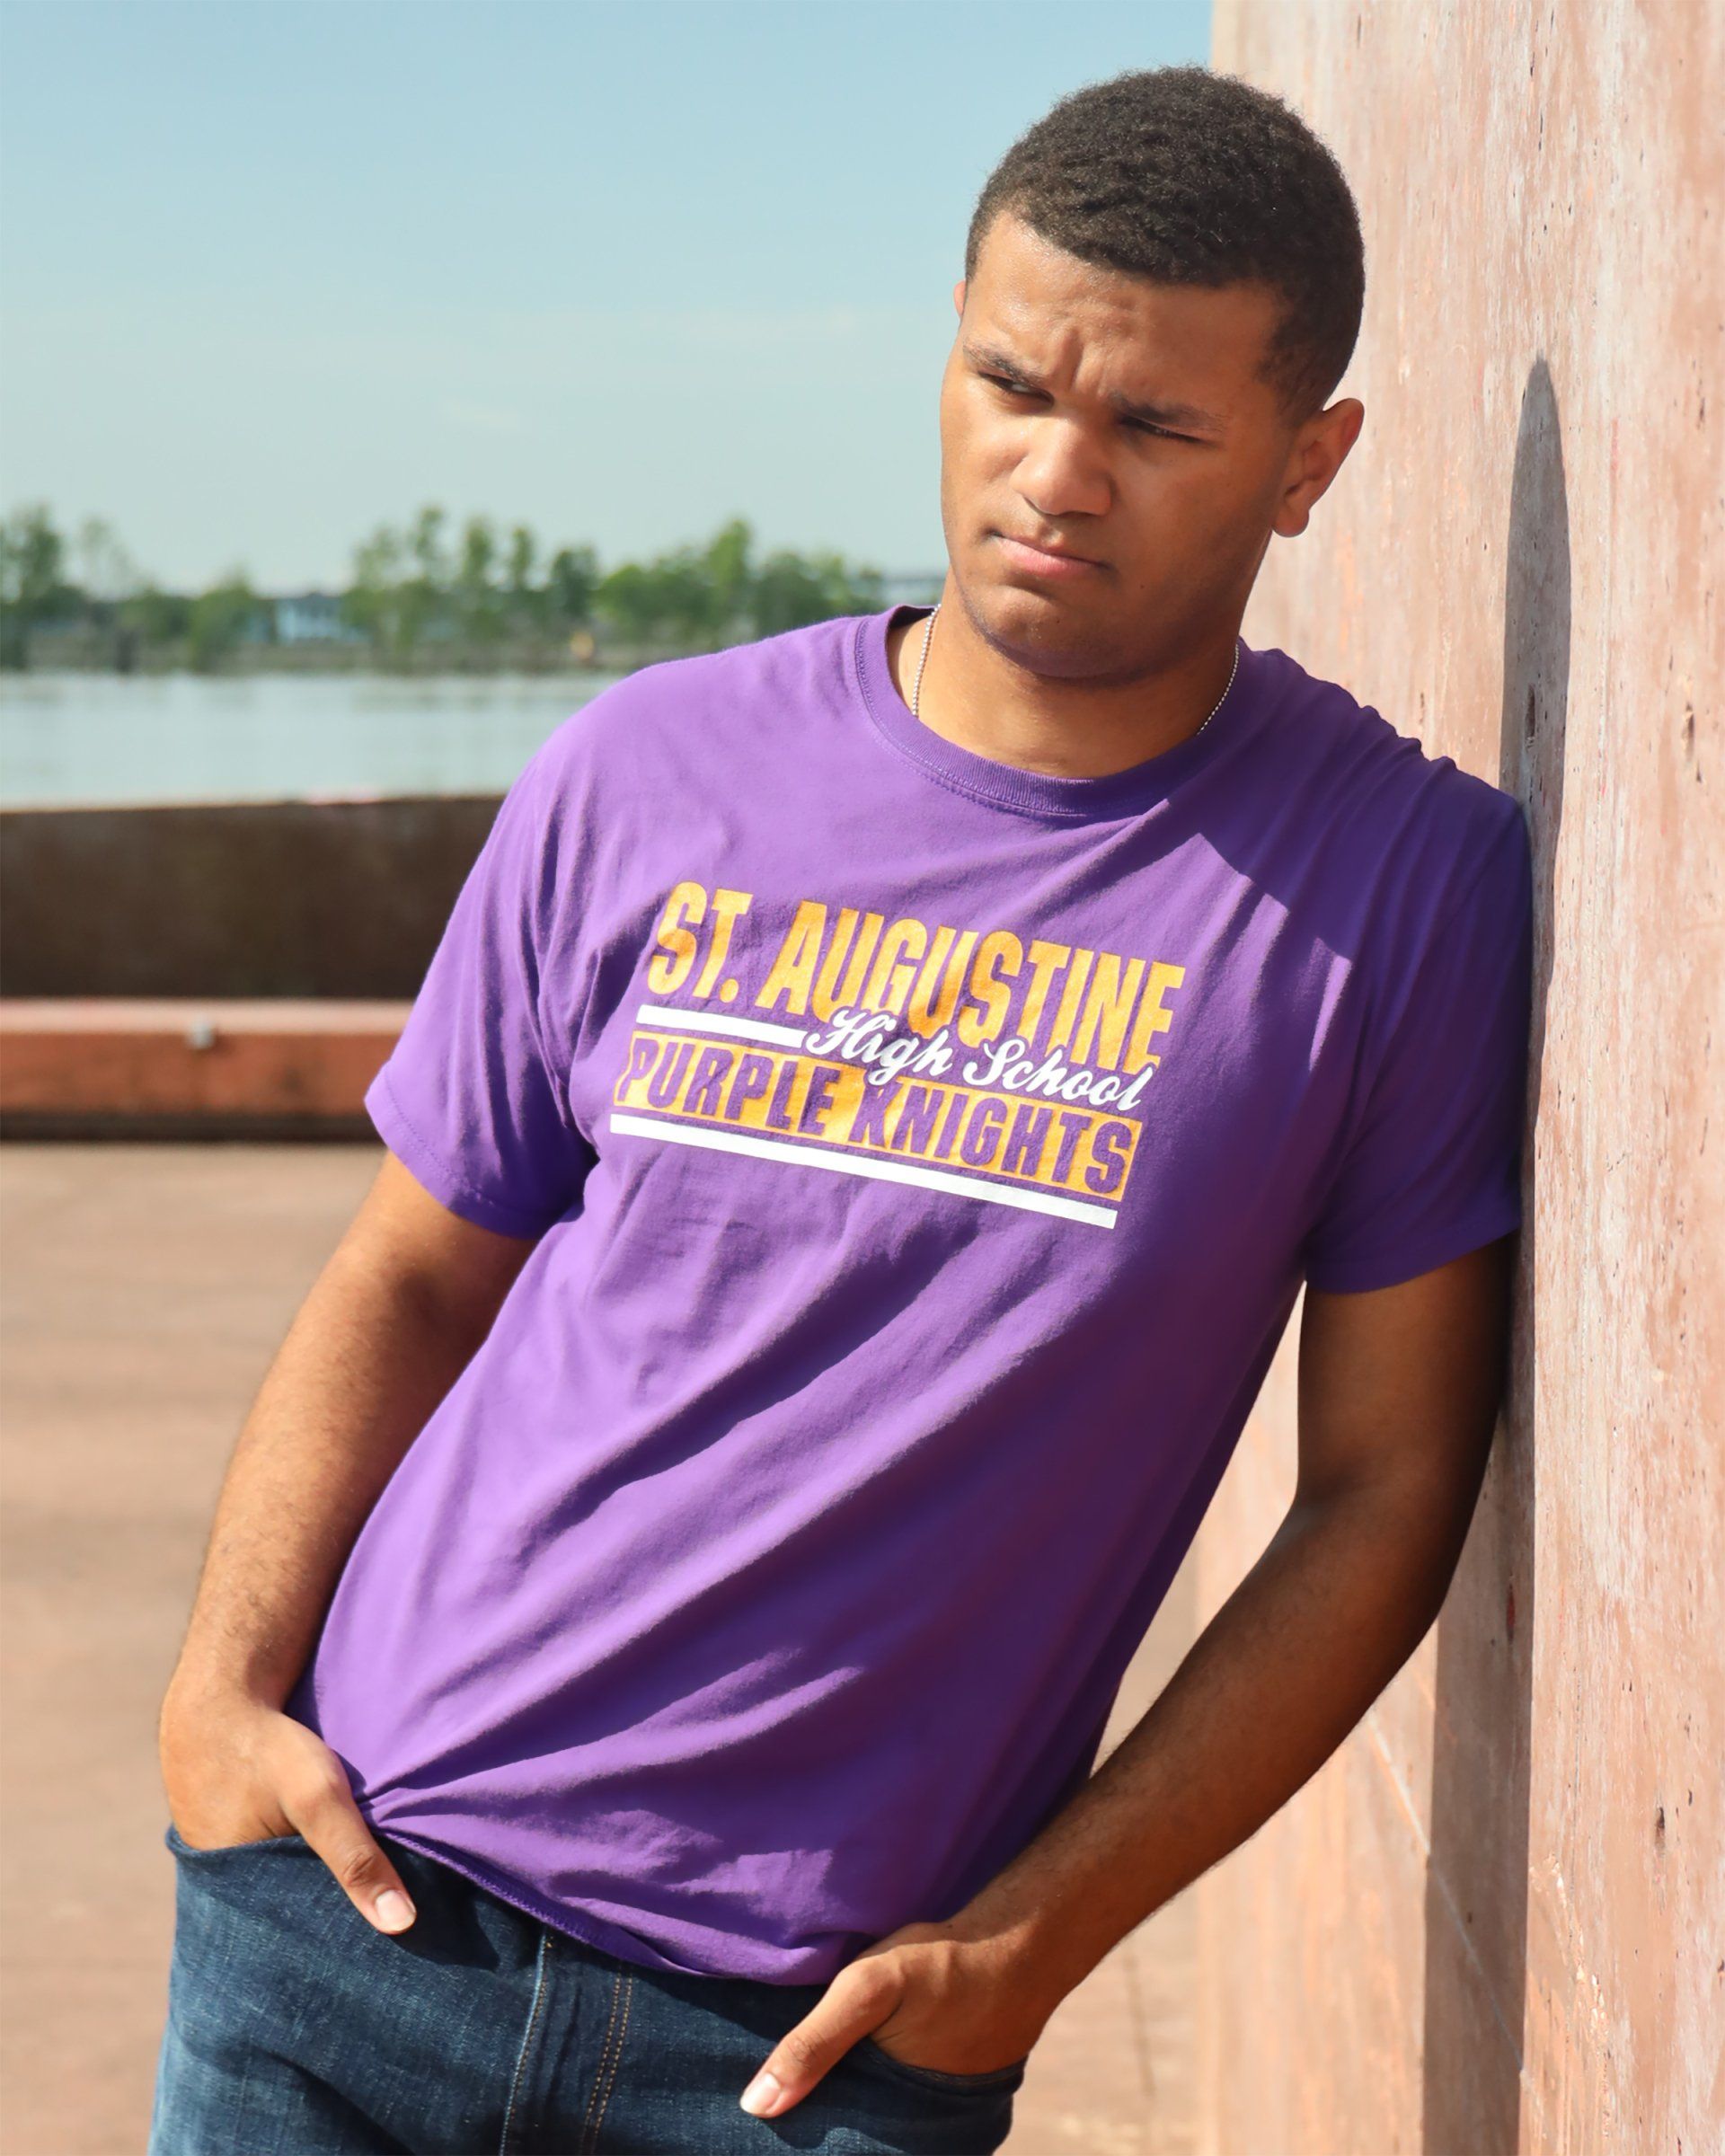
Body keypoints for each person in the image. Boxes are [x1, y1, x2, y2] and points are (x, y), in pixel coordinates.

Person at [148, 62, 1533, 2156]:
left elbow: (1384, 1493)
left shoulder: (1399, 887)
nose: (1057, 473)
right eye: (1008, 384)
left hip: (810, 2061)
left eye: (1154, 424)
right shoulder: (650, 765)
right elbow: (419, 1267)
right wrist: (223, 1690)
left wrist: (1035, 1944)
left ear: (1306, 462)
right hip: (352, 1922)